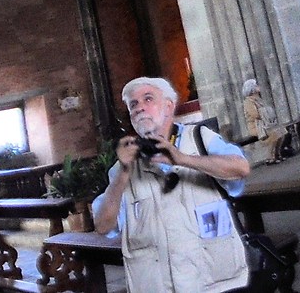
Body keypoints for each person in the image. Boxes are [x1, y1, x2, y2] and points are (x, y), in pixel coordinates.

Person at [93, 76, 252, 293]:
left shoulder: (200, 139)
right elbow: (103, 225)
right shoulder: (121, 169)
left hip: (214, 281)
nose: (139, 108)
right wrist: (123, 173)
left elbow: (240, 168)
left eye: (147, 99)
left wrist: (182, 159)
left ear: (168, 106)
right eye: (133, 104)